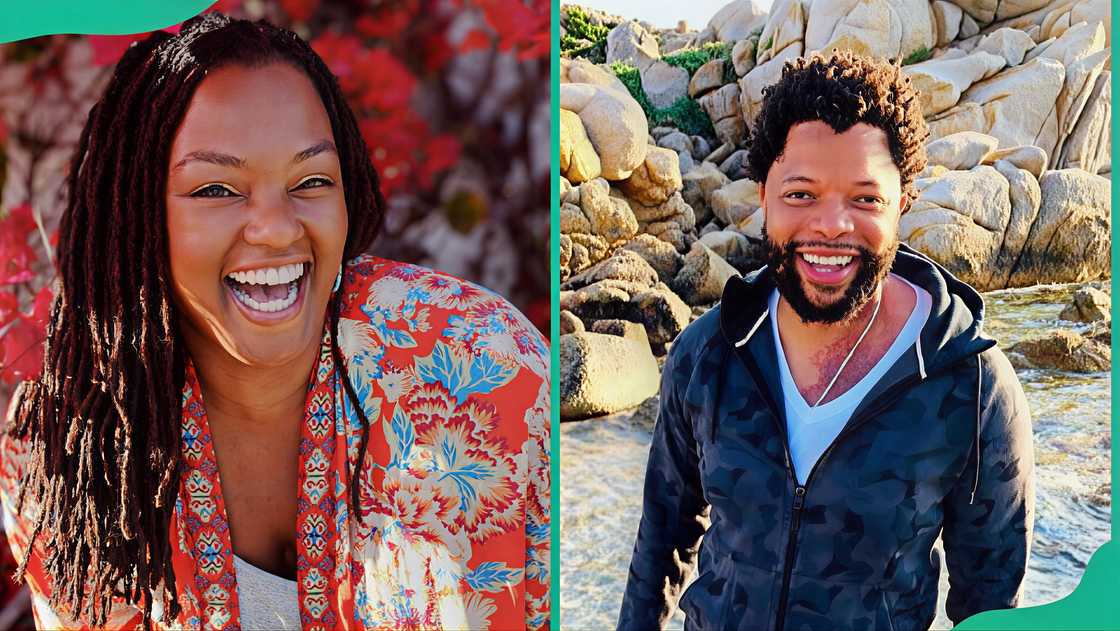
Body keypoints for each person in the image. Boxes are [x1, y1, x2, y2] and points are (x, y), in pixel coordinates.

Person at [0, 14, 550, 630]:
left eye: (311, 181)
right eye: (216, 190)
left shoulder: (488, 370)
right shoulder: (66, 457)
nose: (278, 228)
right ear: (135, 219)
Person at [618, 51, 1034, 631]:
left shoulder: (971, 385)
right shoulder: (707, 356)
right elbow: (660, 543)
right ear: (763, 194)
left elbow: (990, 608)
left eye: (865, 199)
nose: (832, 225)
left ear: (902, 203)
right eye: (801, 194)